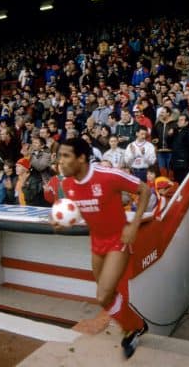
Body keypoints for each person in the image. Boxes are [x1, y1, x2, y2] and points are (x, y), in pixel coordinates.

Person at [51, 138, 151, 359]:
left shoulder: (108, 176)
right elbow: (81, 210)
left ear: (82, 158)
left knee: (103, 295)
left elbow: (145, 190)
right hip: (96, 242)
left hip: (119, 240)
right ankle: (135, 325)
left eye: (66, 156)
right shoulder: (66, 184)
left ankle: (131, 328)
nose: (61, 162)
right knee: (107, 297)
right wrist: (64, 221)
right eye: (59, 156)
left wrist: (134, 225)